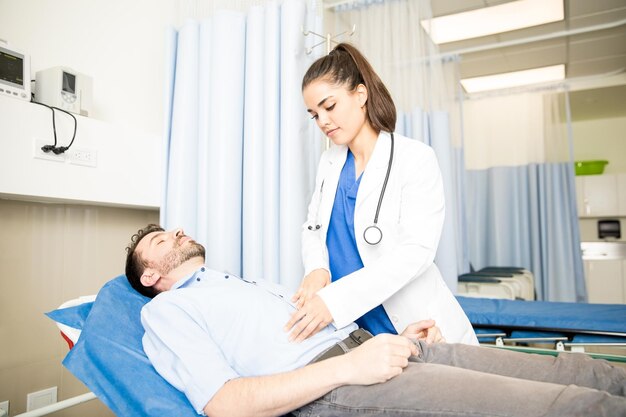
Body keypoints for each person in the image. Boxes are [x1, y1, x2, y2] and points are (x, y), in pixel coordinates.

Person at [126, 224, 626, 417]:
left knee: (579, 372)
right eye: (160, 240)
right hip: (341, 387)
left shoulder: (234, 283)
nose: (177, 232)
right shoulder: (166, 311)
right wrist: (347, 368)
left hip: (378, 352)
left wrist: (386, 341)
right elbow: (224, 404)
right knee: (573, 407)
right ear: (150, 275)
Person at [288, 42, 476, 345]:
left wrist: (333, 301)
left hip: (417, 324)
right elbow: (313, 227)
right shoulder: (330, 162)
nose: (322, 121)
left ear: (360, 95)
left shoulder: (415, 158)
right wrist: (316, 268)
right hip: (359, 332)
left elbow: (416, 252)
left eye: (329, 106)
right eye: (314, 114)